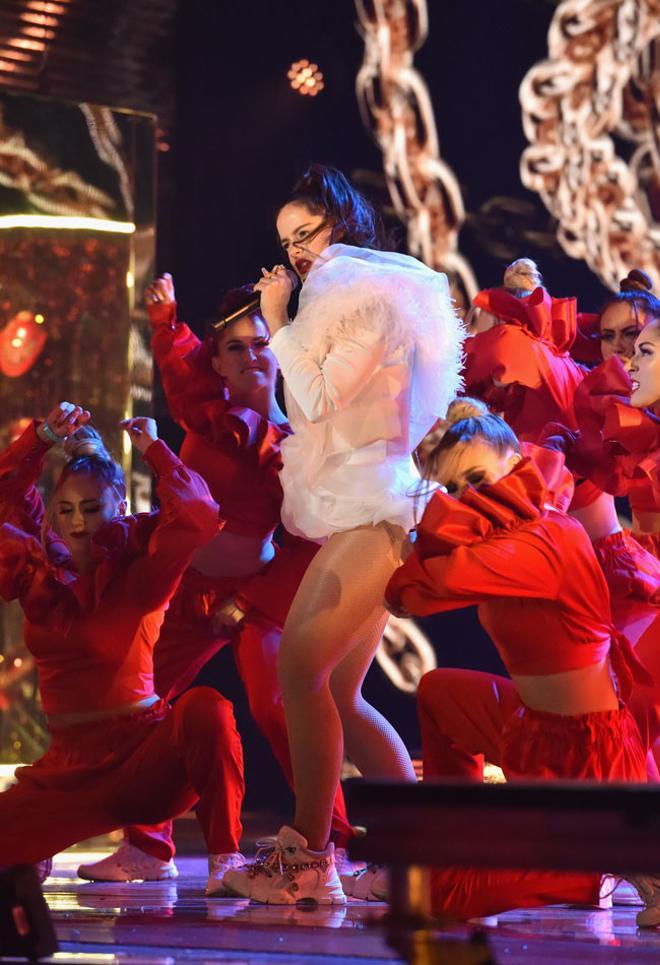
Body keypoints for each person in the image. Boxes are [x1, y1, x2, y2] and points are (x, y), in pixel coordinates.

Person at [222, 163, 464, 904]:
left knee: (300, 672)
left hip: (376, 506)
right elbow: (310, 408)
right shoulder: (340, 295)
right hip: (374, 504)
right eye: (286, 240)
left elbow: (318, 394)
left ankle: (308, 859)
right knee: (344, 695)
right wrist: (290, 321)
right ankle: (412, 852)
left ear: (342, 224)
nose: (295, 251)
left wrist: (275, 320)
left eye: (306, 233)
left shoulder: (361, 295)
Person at [78, 275, 354, 892]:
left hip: (254, 597)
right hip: (187, 587)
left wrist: (251, 600)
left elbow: (310, 544)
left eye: (262, 342)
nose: (252, 354)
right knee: (138, 705)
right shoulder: (207, 414)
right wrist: (164, 321)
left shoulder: (299, 441)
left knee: (281, 706)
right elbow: (178, 370)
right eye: (235, 347)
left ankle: (329, 843)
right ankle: (148, 846)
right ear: (217, 362)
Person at [384, 399, 660, 924]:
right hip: (532, 731)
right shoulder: (504, 539)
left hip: (588, 763)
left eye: (479, 478)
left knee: (442, 898)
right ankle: (459, 838)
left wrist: (427, 549)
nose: (471, 500)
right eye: (456, 490)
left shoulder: (544, 541)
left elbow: (421, 585)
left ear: (516, 461)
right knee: (440, 692)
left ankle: (604, 861)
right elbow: (408, 597)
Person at [0, 402, 245, 881]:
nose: (77, 523)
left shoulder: (142, 570)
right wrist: (42, 438)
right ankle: (34, 851)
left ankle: (227, 861)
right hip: (67, 773)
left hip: (142, 766)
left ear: (120, 507)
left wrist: (154, 449)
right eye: (66, 510)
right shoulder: (38, 575)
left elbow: (197, 513)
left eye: (91, 510)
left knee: (205, 708)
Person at [465, 259, 660, 648]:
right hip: (578, 573)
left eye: (636, 338)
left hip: (611, 579)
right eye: (609, 336)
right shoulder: (589, 393)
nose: (622, 348)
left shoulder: (598, 400)